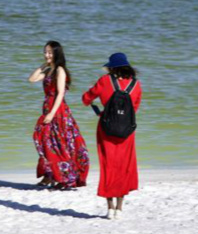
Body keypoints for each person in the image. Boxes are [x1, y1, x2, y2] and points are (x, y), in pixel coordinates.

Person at [82, 52, 142, 220]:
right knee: (123, 167)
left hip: (106, 129)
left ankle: (110, 208)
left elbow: (86, 99)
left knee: (108, 166)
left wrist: (98, 105)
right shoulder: (136, 85)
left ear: (112, 68)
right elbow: (134, 108)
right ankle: (119, 209)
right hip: (127, 131)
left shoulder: (104, 81)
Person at [28, 40, 90, 189]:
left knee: (59, 142)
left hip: (58, 109)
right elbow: (31, 79)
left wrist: (52, 113)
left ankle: (64, 177)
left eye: (50, 52)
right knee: (43, 139)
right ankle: (50, 174)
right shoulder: (49, 70)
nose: (46, 55)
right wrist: (44, 65)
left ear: (56, 53)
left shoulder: (60, 70)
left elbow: (61, 93)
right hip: (47, 106)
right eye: (45, 52)